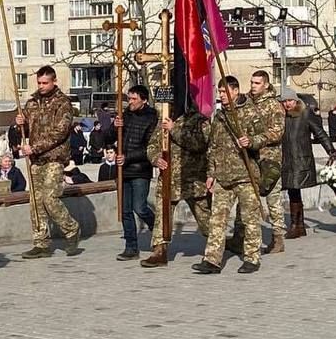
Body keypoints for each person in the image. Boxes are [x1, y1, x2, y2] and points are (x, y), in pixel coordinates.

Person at [192, 76, 265, 274]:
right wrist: (210, 173)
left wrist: (251, 141)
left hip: (245, 175)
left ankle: (252, 257)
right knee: (217, 219)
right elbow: (213, 146)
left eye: (225, 92)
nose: (221, 96)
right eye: (220, 92)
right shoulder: (220, 116)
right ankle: (212, 260)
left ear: (235, 91)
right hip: (224, 177)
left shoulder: (250, 112)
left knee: (250, 218)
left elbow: (264, 137)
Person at [19, 66, 82, 259]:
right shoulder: (32, 103)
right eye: (39, 82)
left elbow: (60, 132)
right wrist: (21, 123)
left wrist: (35, 148)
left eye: (45, 82)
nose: (41, 86)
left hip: (55, 157)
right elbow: (28, 128)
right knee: (36, 202)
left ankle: (71, 229)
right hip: (36, 160)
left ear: (54, 81)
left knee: (50, 197)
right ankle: (41, 242)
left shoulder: (63, 103)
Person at [224, 70, 284, 257]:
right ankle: (238, 237)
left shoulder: (274, 105)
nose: (253, 86)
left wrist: (257, 139)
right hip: (249, 157)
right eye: (251, 82)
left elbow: (277, 132)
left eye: (257, 83)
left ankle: (278, 237)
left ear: (266, 85)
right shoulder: (246, 103)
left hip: (268, 158)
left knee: (273, 200)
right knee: (246, 198)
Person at [142, 110, 212, 268]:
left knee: (206, 219)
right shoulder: (164, 119)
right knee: (162, 215)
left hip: (193, 180)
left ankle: (217, 244)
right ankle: (159, 251)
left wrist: (174, 129)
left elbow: (200, 143)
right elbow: (153, 144)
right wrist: (155, 158)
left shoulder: (200, 120)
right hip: (169, 180)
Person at [278, 87, 333, 240]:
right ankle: (298, 225)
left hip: (301, 159)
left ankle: (296, 226)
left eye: (290, 100)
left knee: (294, 190)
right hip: (286, 159)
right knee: (292, 191)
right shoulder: (280, 116)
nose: (287, 104)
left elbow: (320, 133)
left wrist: (331, 151)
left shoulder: (305, 113)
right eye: (284, 101)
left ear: (295, 100)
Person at [112, 84, 158, 261]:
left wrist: (128, 157)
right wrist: (115, 127)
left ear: (143, 100)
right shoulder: (125, 115)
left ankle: (158, 228)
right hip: (122, 170)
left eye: (134, 99)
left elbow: (149, 147)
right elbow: (109, 138)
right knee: (125, 210)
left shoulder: (151, 117)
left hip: (139, 170)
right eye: (129, 98)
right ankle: (131, 246)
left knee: (140, 207)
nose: (130, 102)